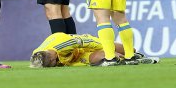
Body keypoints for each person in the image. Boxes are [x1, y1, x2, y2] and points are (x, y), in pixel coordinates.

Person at [29, 32, 159, 67]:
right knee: (100, 59)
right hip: (75, 59)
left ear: (53, 57)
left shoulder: (65, 44)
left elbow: (91, 43)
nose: (56, 65)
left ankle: (132, 55)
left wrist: (109, 49)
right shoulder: (38, 56)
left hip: (85, 45)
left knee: (126, 49)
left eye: (54, 63)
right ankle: (128, 60)